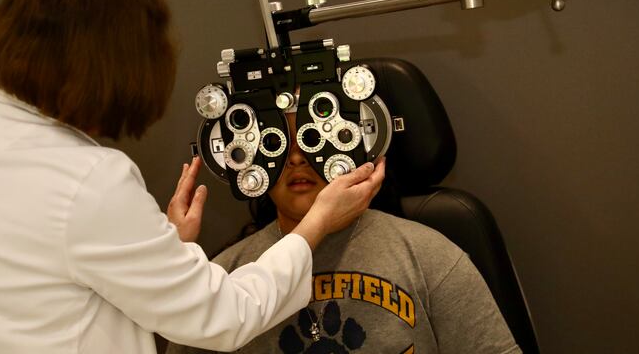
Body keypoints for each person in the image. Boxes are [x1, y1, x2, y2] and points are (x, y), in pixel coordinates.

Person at [0, 0, 385, 354]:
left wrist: (153, 247)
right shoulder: (89, 180)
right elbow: (226, 316)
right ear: (122, 71)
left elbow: (25, 271)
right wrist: (317, 223)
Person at [167, 111, 521, 354]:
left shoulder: (430, 257)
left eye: (312, 139)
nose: (296, 159)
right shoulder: (225, 275)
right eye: (278, 144)